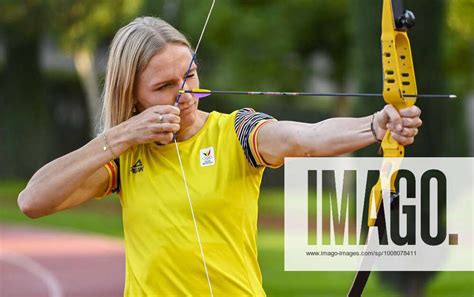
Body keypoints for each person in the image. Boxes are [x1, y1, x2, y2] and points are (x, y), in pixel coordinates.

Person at [18, 16, 422, 296]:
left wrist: (375, 126)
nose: (185, 93)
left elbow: (304, 138)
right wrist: (121, 135)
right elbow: (33, 201)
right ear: (133, 97)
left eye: (189, 75)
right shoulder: (124, 157)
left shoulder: (237, 132)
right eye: (164, 86)